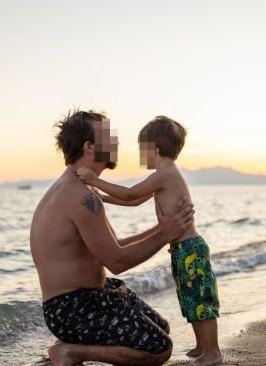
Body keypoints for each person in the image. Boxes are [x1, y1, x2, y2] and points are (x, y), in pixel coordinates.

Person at [30, 110, 195, 366]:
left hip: (93, 295)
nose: (116, 143)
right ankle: (71, 352)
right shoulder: (77, 197)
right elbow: (117, 260)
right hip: (73, 309)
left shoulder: (83, 189)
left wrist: (166, 227)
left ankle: (70, 346)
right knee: (159, 349)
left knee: (160, 327)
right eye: (109, 137)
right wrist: (166, 233)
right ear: (89, 146)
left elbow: (115, 246)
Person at [78, 115, 222, 366]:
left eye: (142, 150)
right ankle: (202, 346)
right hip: (180, 249)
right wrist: (103, 197)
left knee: (201, 300)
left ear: (154, 148)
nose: (141, 156)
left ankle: (214, 353)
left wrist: (93, 180)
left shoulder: (166, 174)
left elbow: (131, 192)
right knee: (189, 299)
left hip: (190, 248)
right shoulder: (161, 176)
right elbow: (133, 200)